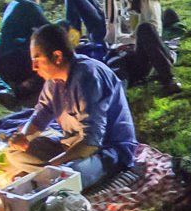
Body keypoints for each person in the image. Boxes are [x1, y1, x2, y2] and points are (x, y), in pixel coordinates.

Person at [7, 25, 139, 189]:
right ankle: (46, 176)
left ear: (57, 56)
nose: (34, 68)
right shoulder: (53, 81)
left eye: (37, 60)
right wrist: (24, 135)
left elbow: (91, 142)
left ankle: (47, 177)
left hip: (106, 151)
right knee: (14, 153)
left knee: (68, 173)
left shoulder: (88, 78)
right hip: (71, 145)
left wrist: (54, 164)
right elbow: (41, 114)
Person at [0, 0, 50, 98]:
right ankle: (27, 86)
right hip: (14, 60)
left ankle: (21, 86)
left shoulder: (13, 4)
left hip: (1, 62)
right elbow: (50, 31)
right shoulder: (29, 6)